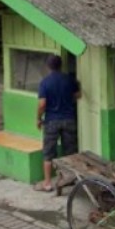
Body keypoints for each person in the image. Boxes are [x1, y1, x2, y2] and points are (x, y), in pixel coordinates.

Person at [35, 54, 80, 192]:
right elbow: (78, 95)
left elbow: (42, 104)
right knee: (70, 151)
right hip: (69, 119)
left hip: (51, 121)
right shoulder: (70, 79)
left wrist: (38, 118)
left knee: (49, 153)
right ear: (61, 65)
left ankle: (47, 183)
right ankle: (70, 178)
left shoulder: (45, 83)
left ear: (48, 66)